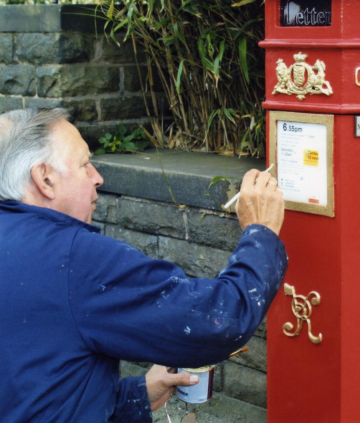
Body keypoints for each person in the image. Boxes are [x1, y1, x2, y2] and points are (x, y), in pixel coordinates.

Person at [0, 108, 287, 423]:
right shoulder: (74, 260)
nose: (98, 177)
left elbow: (33, 388)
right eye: (84, 165)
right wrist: (261, 233)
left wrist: (134, 397)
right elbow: (217, 322)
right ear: (45, 178)